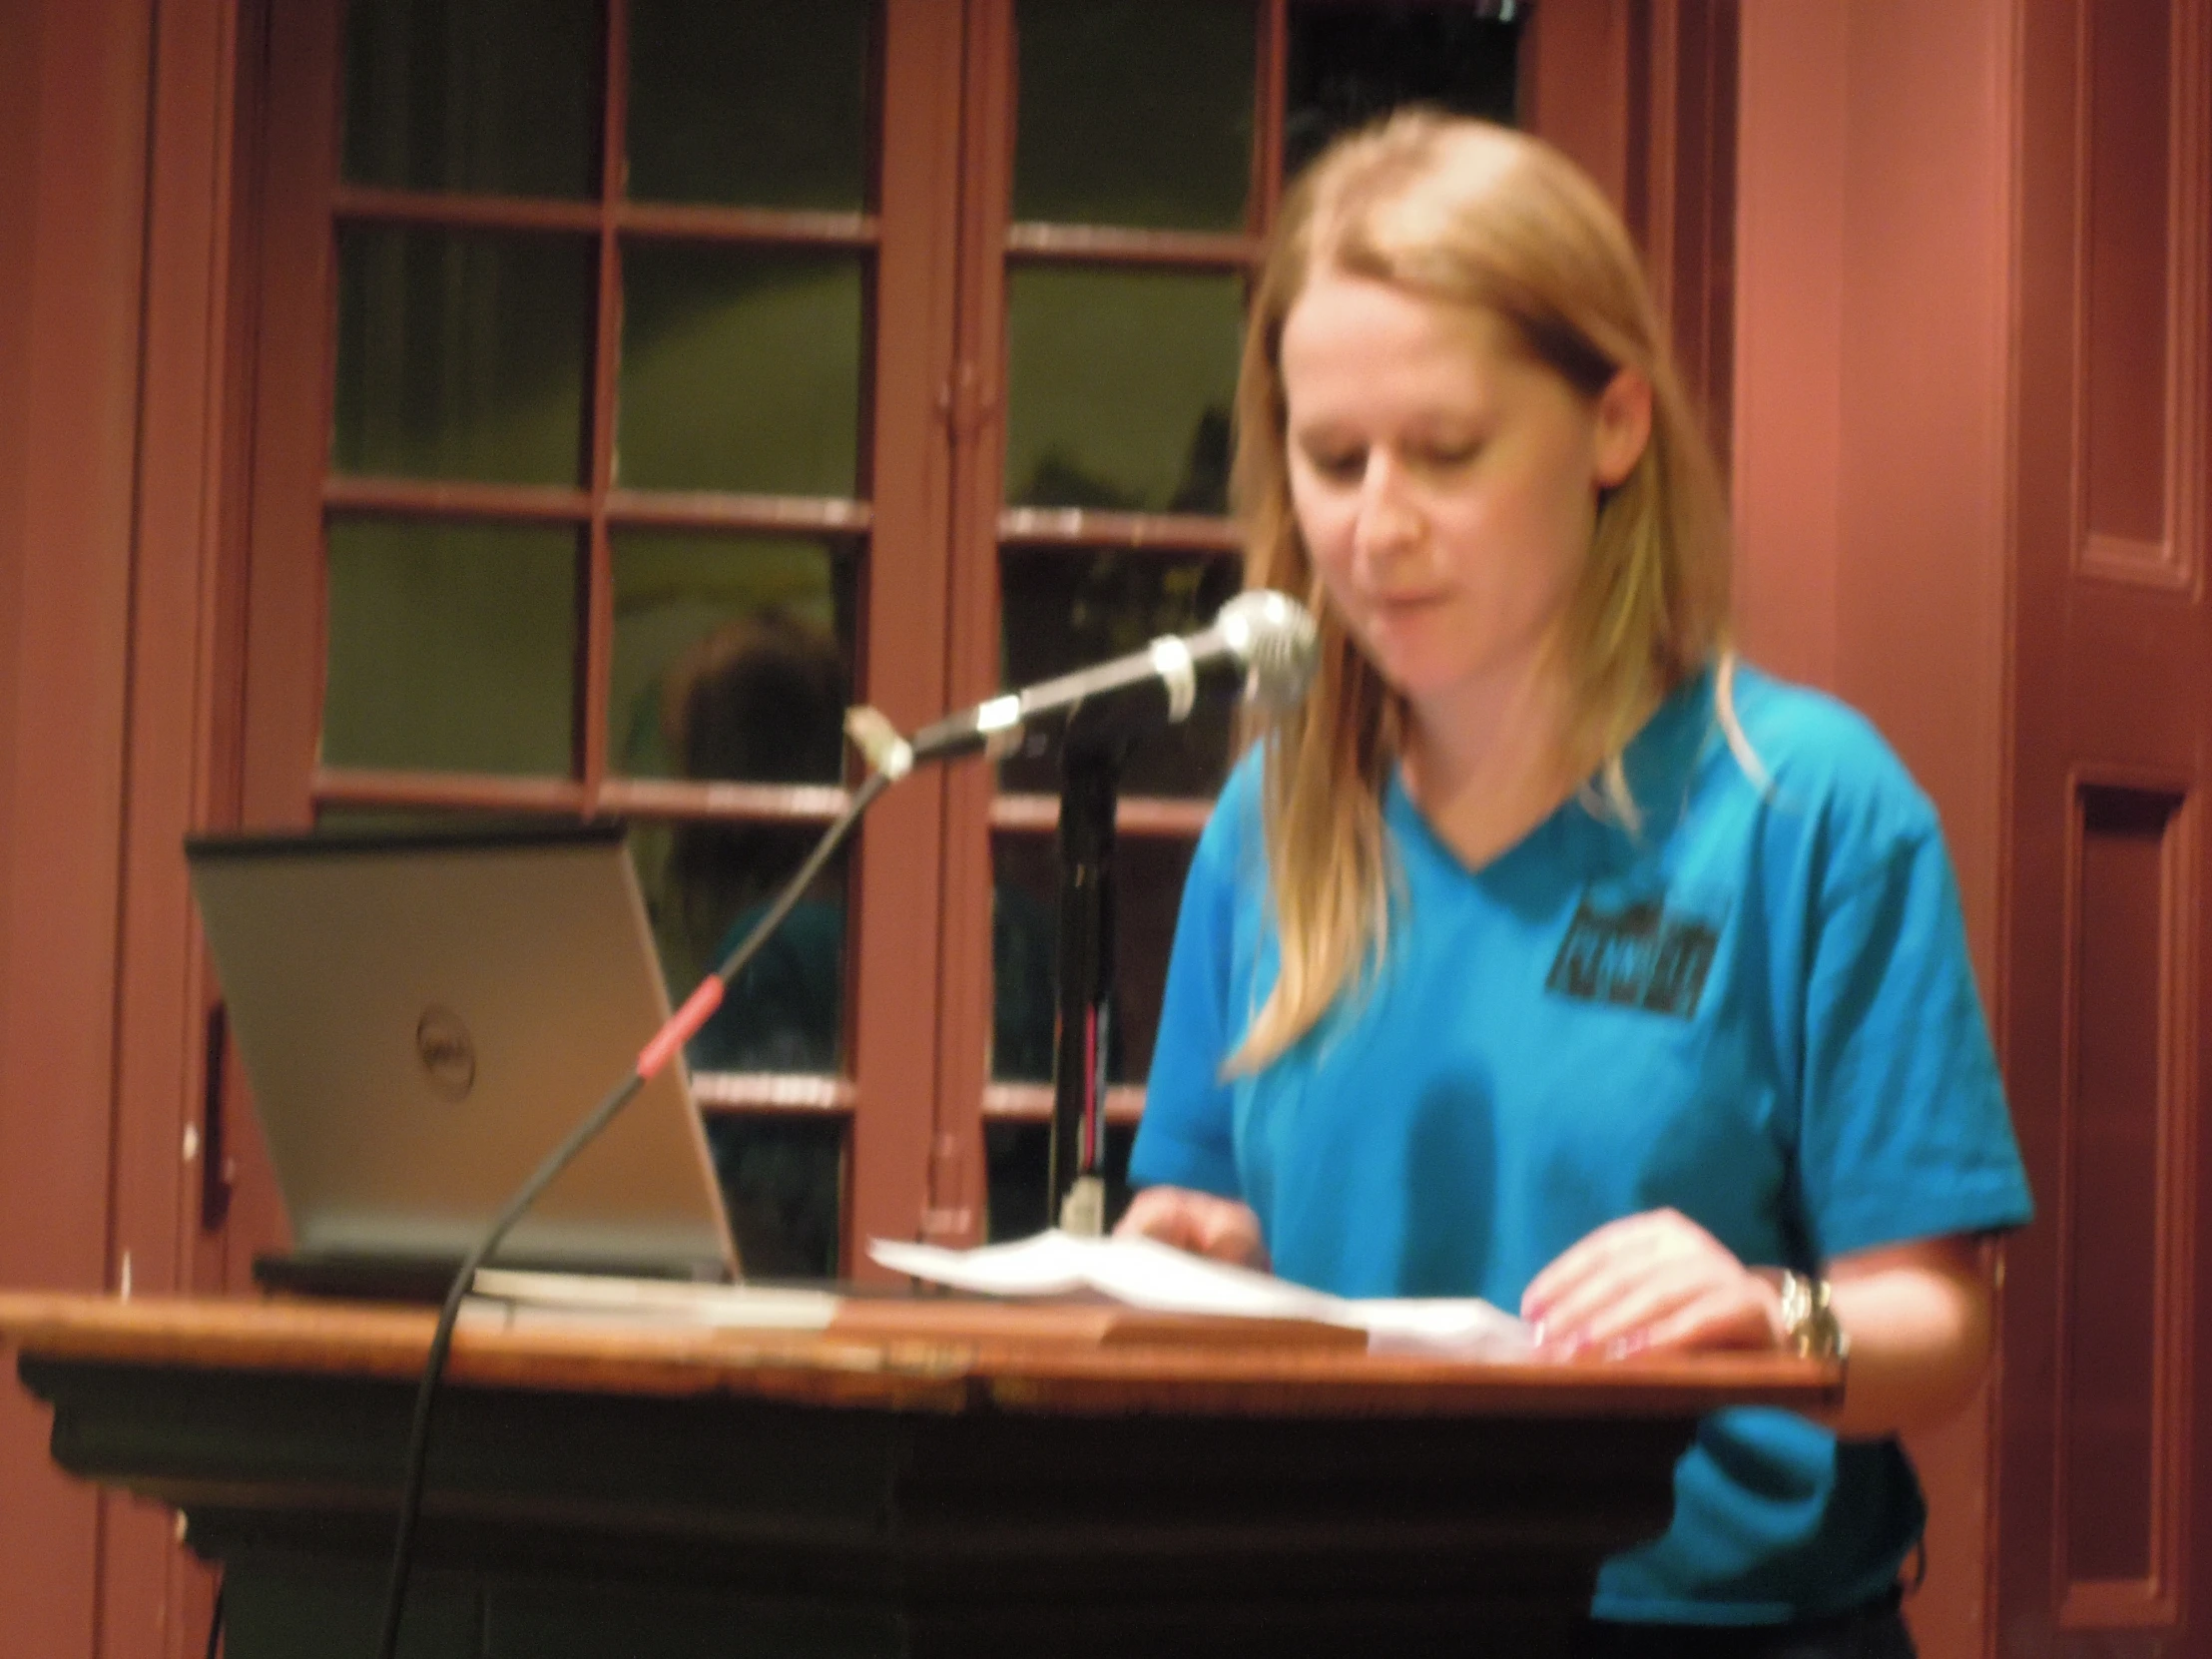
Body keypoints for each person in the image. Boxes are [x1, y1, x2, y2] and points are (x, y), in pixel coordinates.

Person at [1116, 111, 2031, 1653]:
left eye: (1448, 452)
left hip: (1718, 1622)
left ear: (1613, 427)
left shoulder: (1805, 806)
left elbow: (1942, 1331)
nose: (1376, 521)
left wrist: (1775, 1313)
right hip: (1326, 1600)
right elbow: (1211, 1222)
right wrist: (1195, 1257)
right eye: (1331, 458)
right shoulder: (1272, 823)